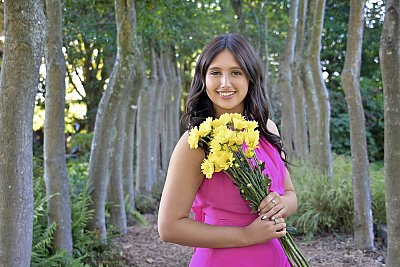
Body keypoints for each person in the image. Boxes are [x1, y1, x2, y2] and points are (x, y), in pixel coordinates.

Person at [158, 33, 298, 267]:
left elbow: (291, 194)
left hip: (276, 258)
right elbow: (169, 227)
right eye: (215, 72)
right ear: (203, 78)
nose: (225, 83)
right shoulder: (195, 142)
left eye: (236, 72)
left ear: (250, 78)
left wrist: (282, 204)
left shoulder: (265, 129)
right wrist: (247, 236)